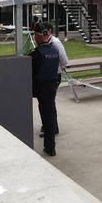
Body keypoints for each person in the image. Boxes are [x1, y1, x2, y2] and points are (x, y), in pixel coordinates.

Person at [29, 23, 60, 156]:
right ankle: (50, 146)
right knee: (51, 116)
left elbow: (28, 71)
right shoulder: (55, 50)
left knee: (46, 117)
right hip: (52, 87)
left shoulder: (36, 54)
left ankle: (50, 147)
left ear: (37, 36)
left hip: (40, 88)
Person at [39, 22, 68, 138]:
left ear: (50, 31)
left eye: (45, 31)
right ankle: (48, 126)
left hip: (53, 76)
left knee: (49, 103)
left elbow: (64, 61)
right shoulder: (42, 42)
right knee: (44, 103)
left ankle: (52, 128)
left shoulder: (55, 43)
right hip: (44, 76)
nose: (42, 33)